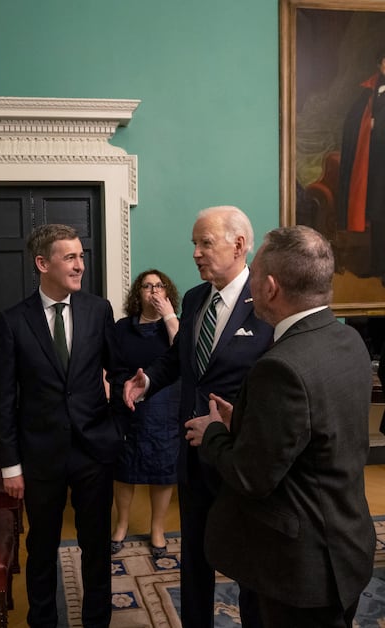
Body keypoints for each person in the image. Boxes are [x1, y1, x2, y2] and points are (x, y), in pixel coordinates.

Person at [184, 225, 375, 628]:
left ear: (269, 288)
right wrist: (249, 423)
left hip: (302, 565)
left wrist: (214, 432)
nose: (248, 281)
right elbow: (314, 432)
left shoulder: (281, 366)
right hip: (348, 543)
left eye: (253, 274)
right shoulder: (348, 340)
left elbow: (251, 476)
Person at [123, 205, 273, 628]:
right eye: (194, 243)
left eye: (205, 242)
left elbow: (279, 384)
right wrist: (148, 381)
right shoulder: (192, 299)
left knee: (249, 570)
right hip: (191, 456)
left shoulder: (265, 302)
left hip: (241, 462)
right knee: (194, 561)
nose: (195, 253)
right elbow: (178, 360)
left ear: (239, 245)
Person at [0, 223, 120, 628]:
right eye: (70, 257)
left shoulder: (99, 311)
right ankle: (42, 621)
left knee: (96, 546)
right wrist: (11, 465)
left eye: (81, 256)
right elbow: (4, 398)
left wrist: (115, 428)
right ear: (43, 263)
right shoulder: (13, 322)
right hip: (40, 456)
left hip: (92, 451)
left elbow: (117, 372)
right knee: (42, 547)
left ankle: (97, 620)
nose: (80, 265)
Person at [110, 269, 180, 558]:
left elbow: (183, 353)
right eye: (147, 286)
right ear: (138, 293)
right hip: (128, 404)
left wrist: (169, 316)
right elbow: (111, 363)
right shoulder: (122, 327)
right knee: (124, 469)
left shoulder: (175, 323)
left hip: (164, 407)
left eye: (159, 286)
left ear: (166, 292)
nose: (153, 290)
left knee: (162, 470)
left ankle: (157, 529)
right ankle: (122, 525)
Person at [338, 50, 385, 282]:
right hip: (376, 165)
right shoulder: (369, 90)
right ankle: (378, 267)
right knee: (378, 217)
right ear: (379, 64)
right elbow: (353, 121)